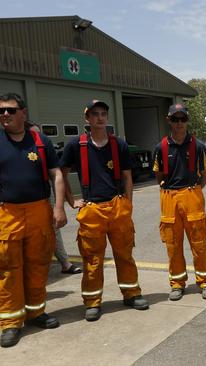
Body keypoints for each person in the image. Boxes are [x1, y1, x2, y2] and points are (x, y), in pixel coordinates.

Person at [60, 100, 149, 322]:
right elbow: (61, 172)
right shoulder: (76, 145)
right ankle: (92, 302)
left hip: (117, 206)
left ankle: (131, 293)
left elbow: (128, 176)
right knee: (92, 258)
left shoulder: (119, 145)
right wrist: (71, 201)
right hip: (91, 209)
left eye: (103, 114)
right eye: (95, 114)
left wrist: (128, 202)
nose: (100, 118)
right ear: (87, 119)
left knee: (124, 254)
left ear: (107, 117)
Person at [0, 93, 67, 347]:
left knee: (38, 263)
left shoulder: (40, 141)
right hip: (7, 213)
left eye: (10, 110)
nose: (5, 115)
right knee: (8, 268)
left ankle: (36, 311)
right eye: (1, 111)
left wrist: (59, 207)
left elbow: (56, 174)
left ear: (23, 113)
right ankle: (10, 322)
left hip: (39, 210)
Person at [153, 104, 206, 301]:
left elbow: (205, 174)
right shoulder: (161, 147)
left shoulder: (198, 146)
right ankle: (177, 283)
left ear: (187, 120)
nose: (179, 123)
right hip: (169, 197)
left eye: (182, 119)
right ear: (168, 120)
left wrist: (194, 191)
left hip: (192, 195)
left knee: (199, 243)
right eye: (175, 119)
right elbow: (158, 175)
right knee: (172, 244)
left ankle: (205, 281)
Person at [26, 122, 81, 275]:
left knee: (53, 230)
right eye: (34, 134)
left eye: (40, 134)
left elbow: (57, 175)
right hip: (17, 206)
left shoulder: (43, 149)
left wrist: (61, 206)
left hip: (43, 196)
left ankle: (65, 263)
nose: (39, 138)